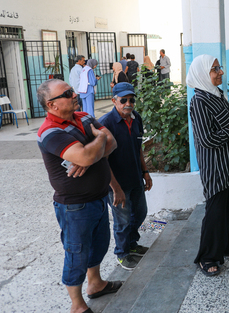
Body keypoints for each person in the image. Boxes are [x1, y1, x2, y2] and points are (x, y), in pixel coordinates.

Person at [36, 79, 126, 313]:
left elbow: (111, 144)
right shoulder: (50, 132)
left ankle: (95, 284)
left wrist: (90, 154)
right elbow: (88, 154)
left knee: (98, 245)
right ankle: (77, 305)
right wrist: (95, 146)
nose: (74, 94)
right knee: (76, 254)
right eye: (67, 93)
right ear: (51, 105)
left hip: (98, 197)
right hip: (74, 206)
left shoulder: (84, 116)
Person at [187, 54, 229, 277]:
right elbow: (206, 139)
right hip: (215, 166)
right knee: (215, 212)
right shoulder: (199, 101)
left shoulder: (217, 95)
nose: (220, 72)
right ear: (202, 73)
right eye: (214, 69)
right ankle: (207, 257)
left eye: (219, 67)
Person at [99, 82, 153, 270]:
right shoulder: (105, 124)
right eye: (123, 100)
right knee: (122, 221)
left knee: (140, 213)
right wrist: (116, 188)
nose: (128, 103)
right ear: (114, 101)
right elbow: (102, 160)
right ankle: (122, 254)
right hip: (116, 183)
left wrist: (145, 172)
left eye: (131, 99)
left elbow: (138, 148)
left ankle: (132, 244)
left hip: (135, 178)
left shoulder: (136, 118)